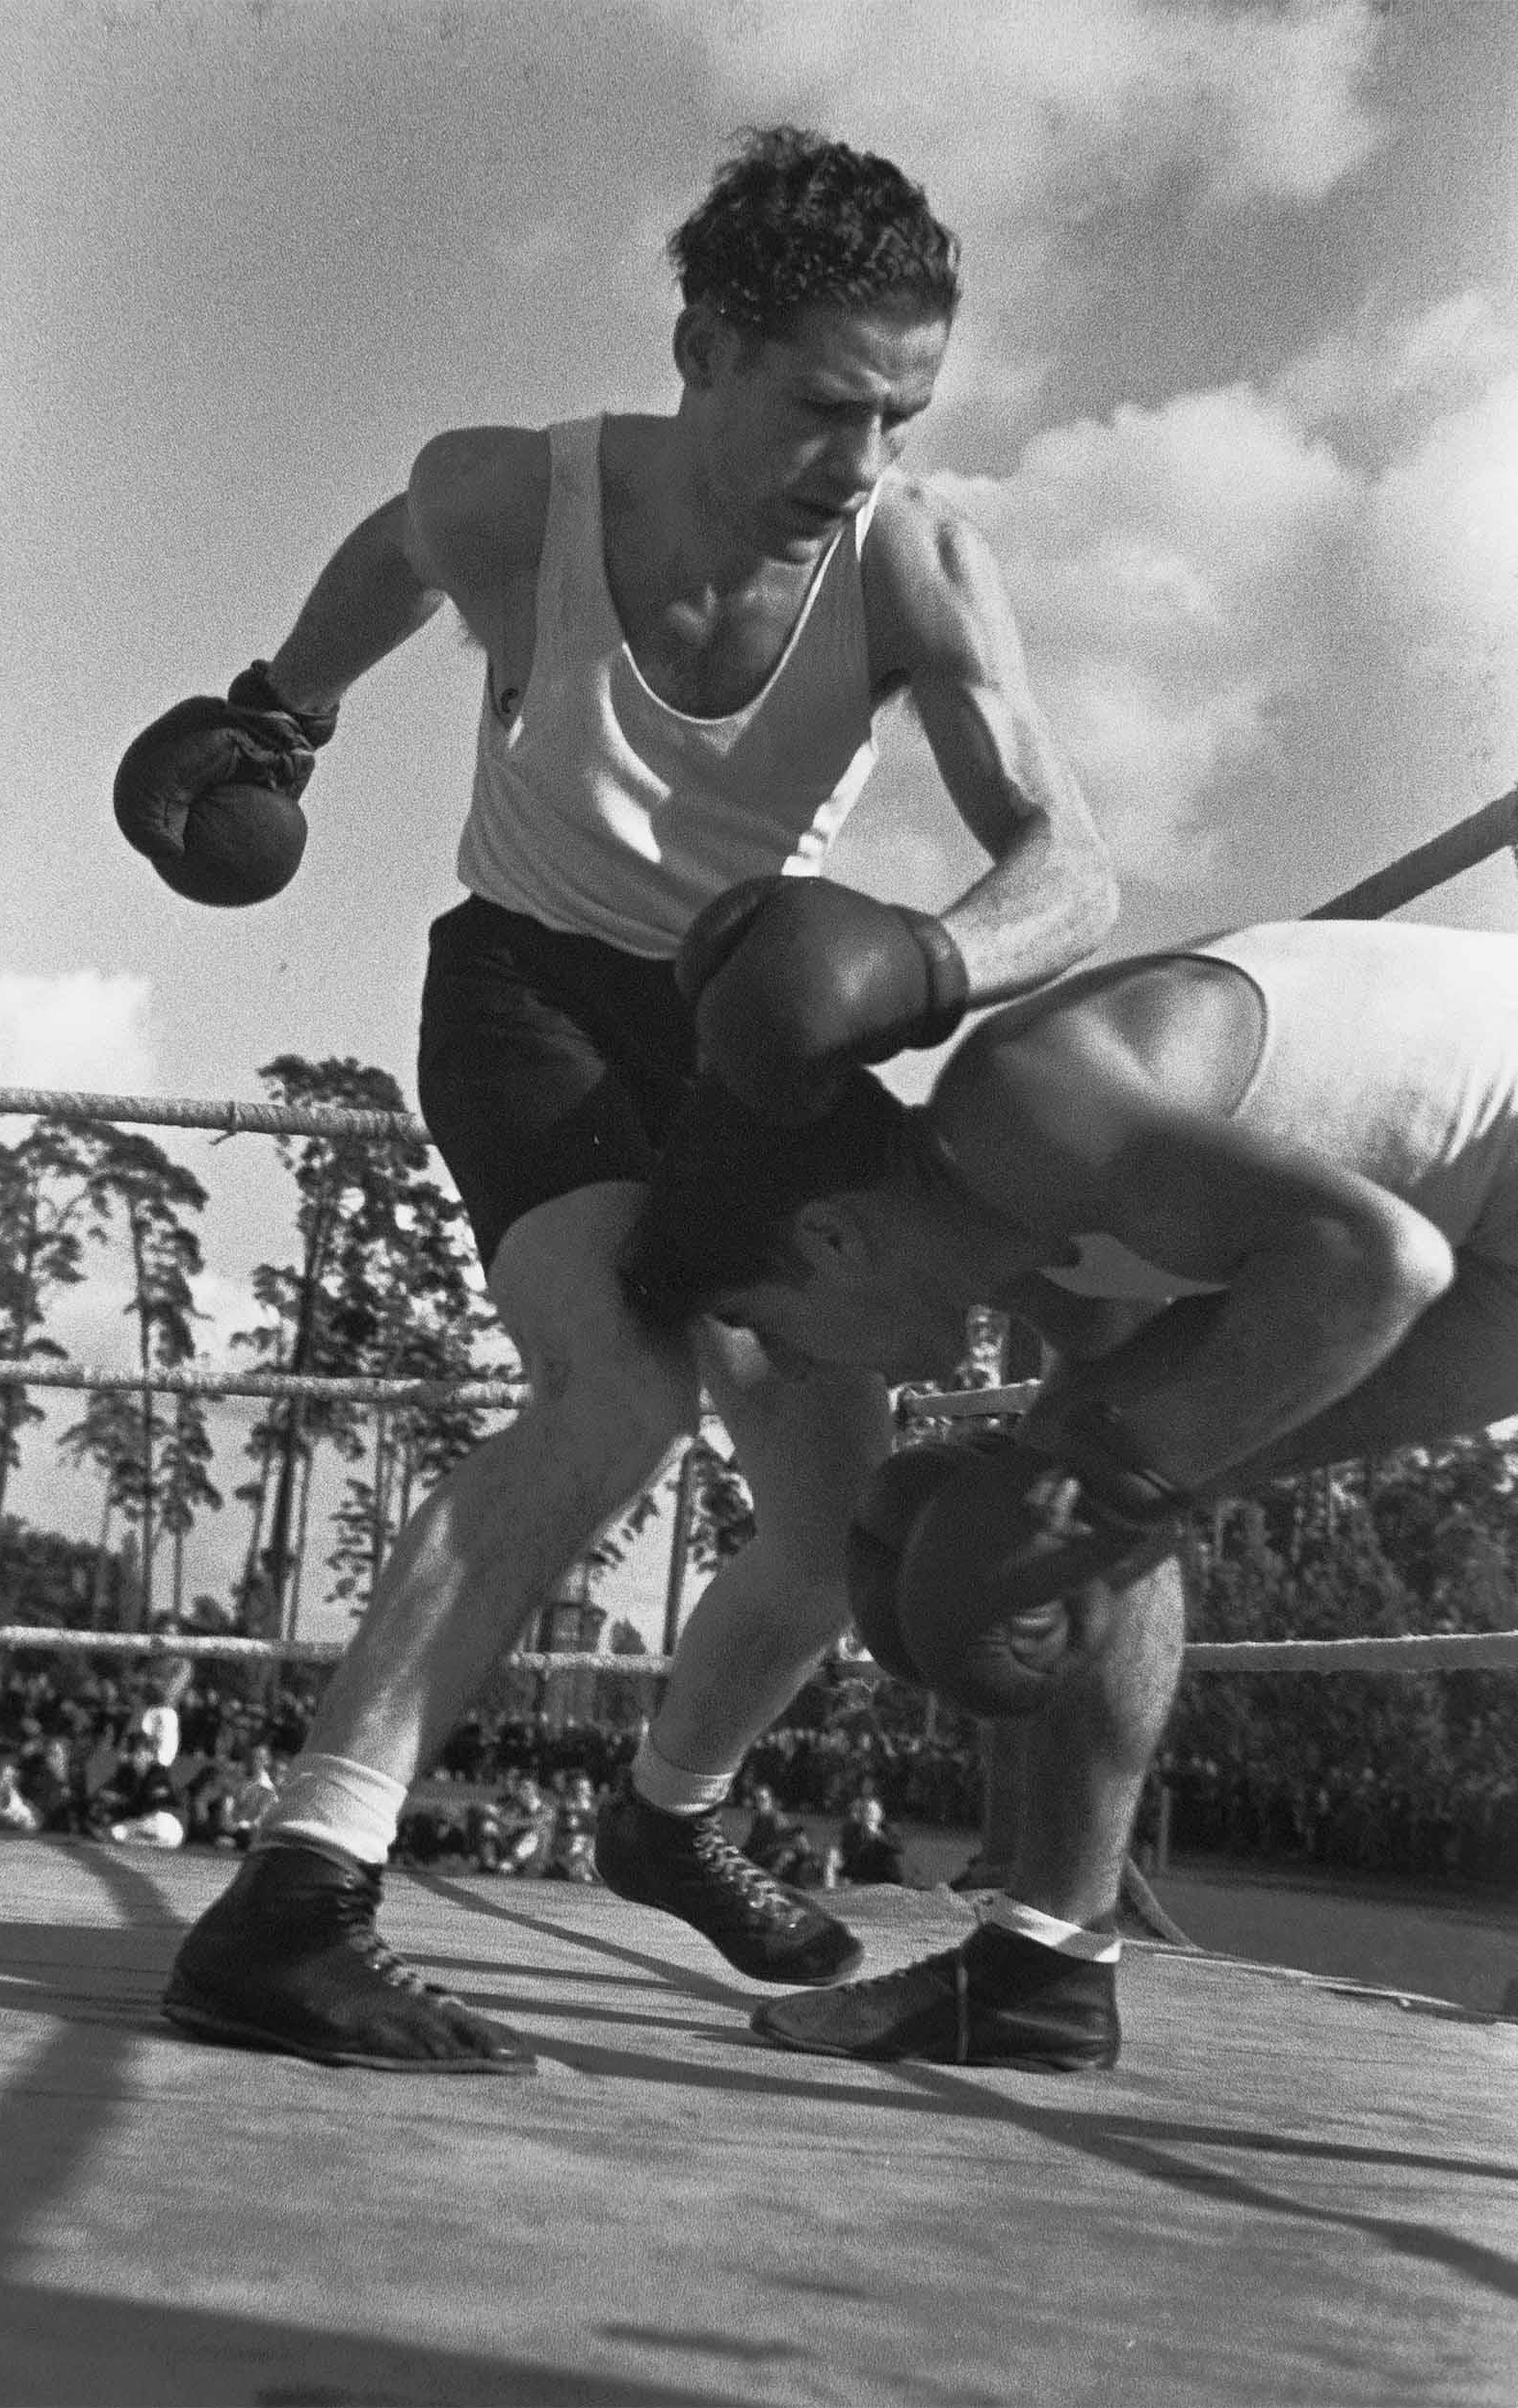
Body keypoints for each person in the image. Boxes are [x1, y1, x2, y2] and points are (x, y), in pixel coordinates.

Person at [121, 126, 1113, 2074]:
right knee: (618, 1390)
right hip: (534, 993)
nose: (861, 461)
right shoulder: (520, 496)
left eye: (901, 416)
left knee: (832, 1521)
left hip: (763, 1025)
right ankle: (296, 1897)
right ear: (702, 349)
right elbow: (398, 548)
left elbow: (1068, 869)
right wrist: (281, 712)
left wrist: (919, 965)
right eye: (825, 406)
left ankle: (667, 1811)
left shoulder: (912, 562)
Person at [622, 907, 1518, 2065]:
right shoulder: (1027, 1230)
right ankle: (1047, 1965)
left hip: (1462, 1208)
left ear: (834, 1240)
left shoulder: (1022, 1109)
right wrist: (1079, 1504)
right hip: (1485, 1221)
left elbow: (1377, 1261)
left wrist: (1105, 1493)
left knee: (1099, 1472)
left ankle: (1045, 1962)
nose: (789, 1367)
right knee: (1079, 1457)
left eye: (764, 1323)